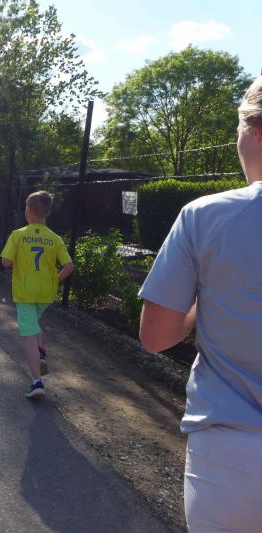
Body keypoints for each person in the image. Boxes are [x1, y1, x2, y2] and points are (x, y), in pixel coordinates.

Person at [138, 76, 262, 532]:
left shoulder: (205, 216)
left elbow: (155, 336)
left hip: (232, 455)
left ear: (256, 132)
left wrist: (198, 308)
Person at [0, 191, 74, 399]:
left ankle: (36, 382)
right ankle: (41, 353)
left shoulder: (18, 234)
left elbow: (5, 262)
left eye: (26, 207)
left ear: (30, 211)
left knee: (29, 336)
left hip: (25, 292)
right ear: (46, 212)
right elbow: (69, 266)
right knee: (34, 323)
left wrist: (18, 263)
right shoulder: (55, 238)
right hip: (46, 292)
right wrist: (55, 280)